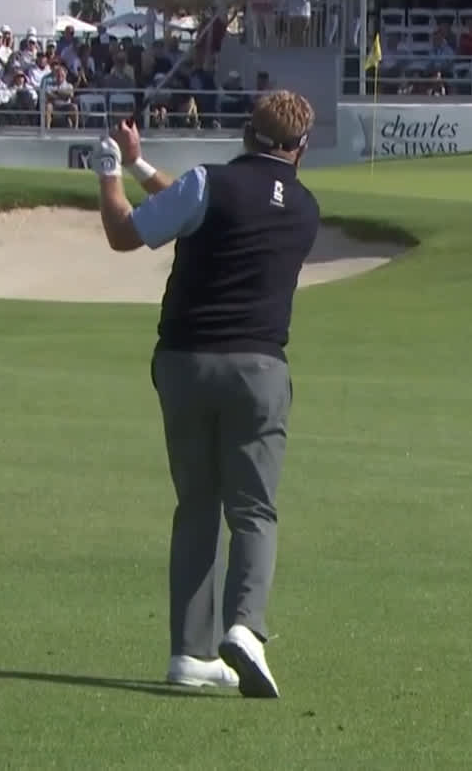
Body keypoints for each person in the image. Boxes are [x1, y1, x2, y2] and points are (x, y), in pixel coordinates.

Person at [86, 90, 322, 699]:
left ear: (247, 132)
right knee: (254, 509)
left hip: (186, 363)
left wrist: (109, 171)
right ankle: (245, 627)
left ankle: (190, 652)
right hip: (259, 370)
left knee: (197, 504)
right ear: (302, 147)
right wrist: (141, 168)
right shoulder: (304, 208)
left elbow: (127, 233)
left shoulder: (208, 182)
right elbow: (207, 208)